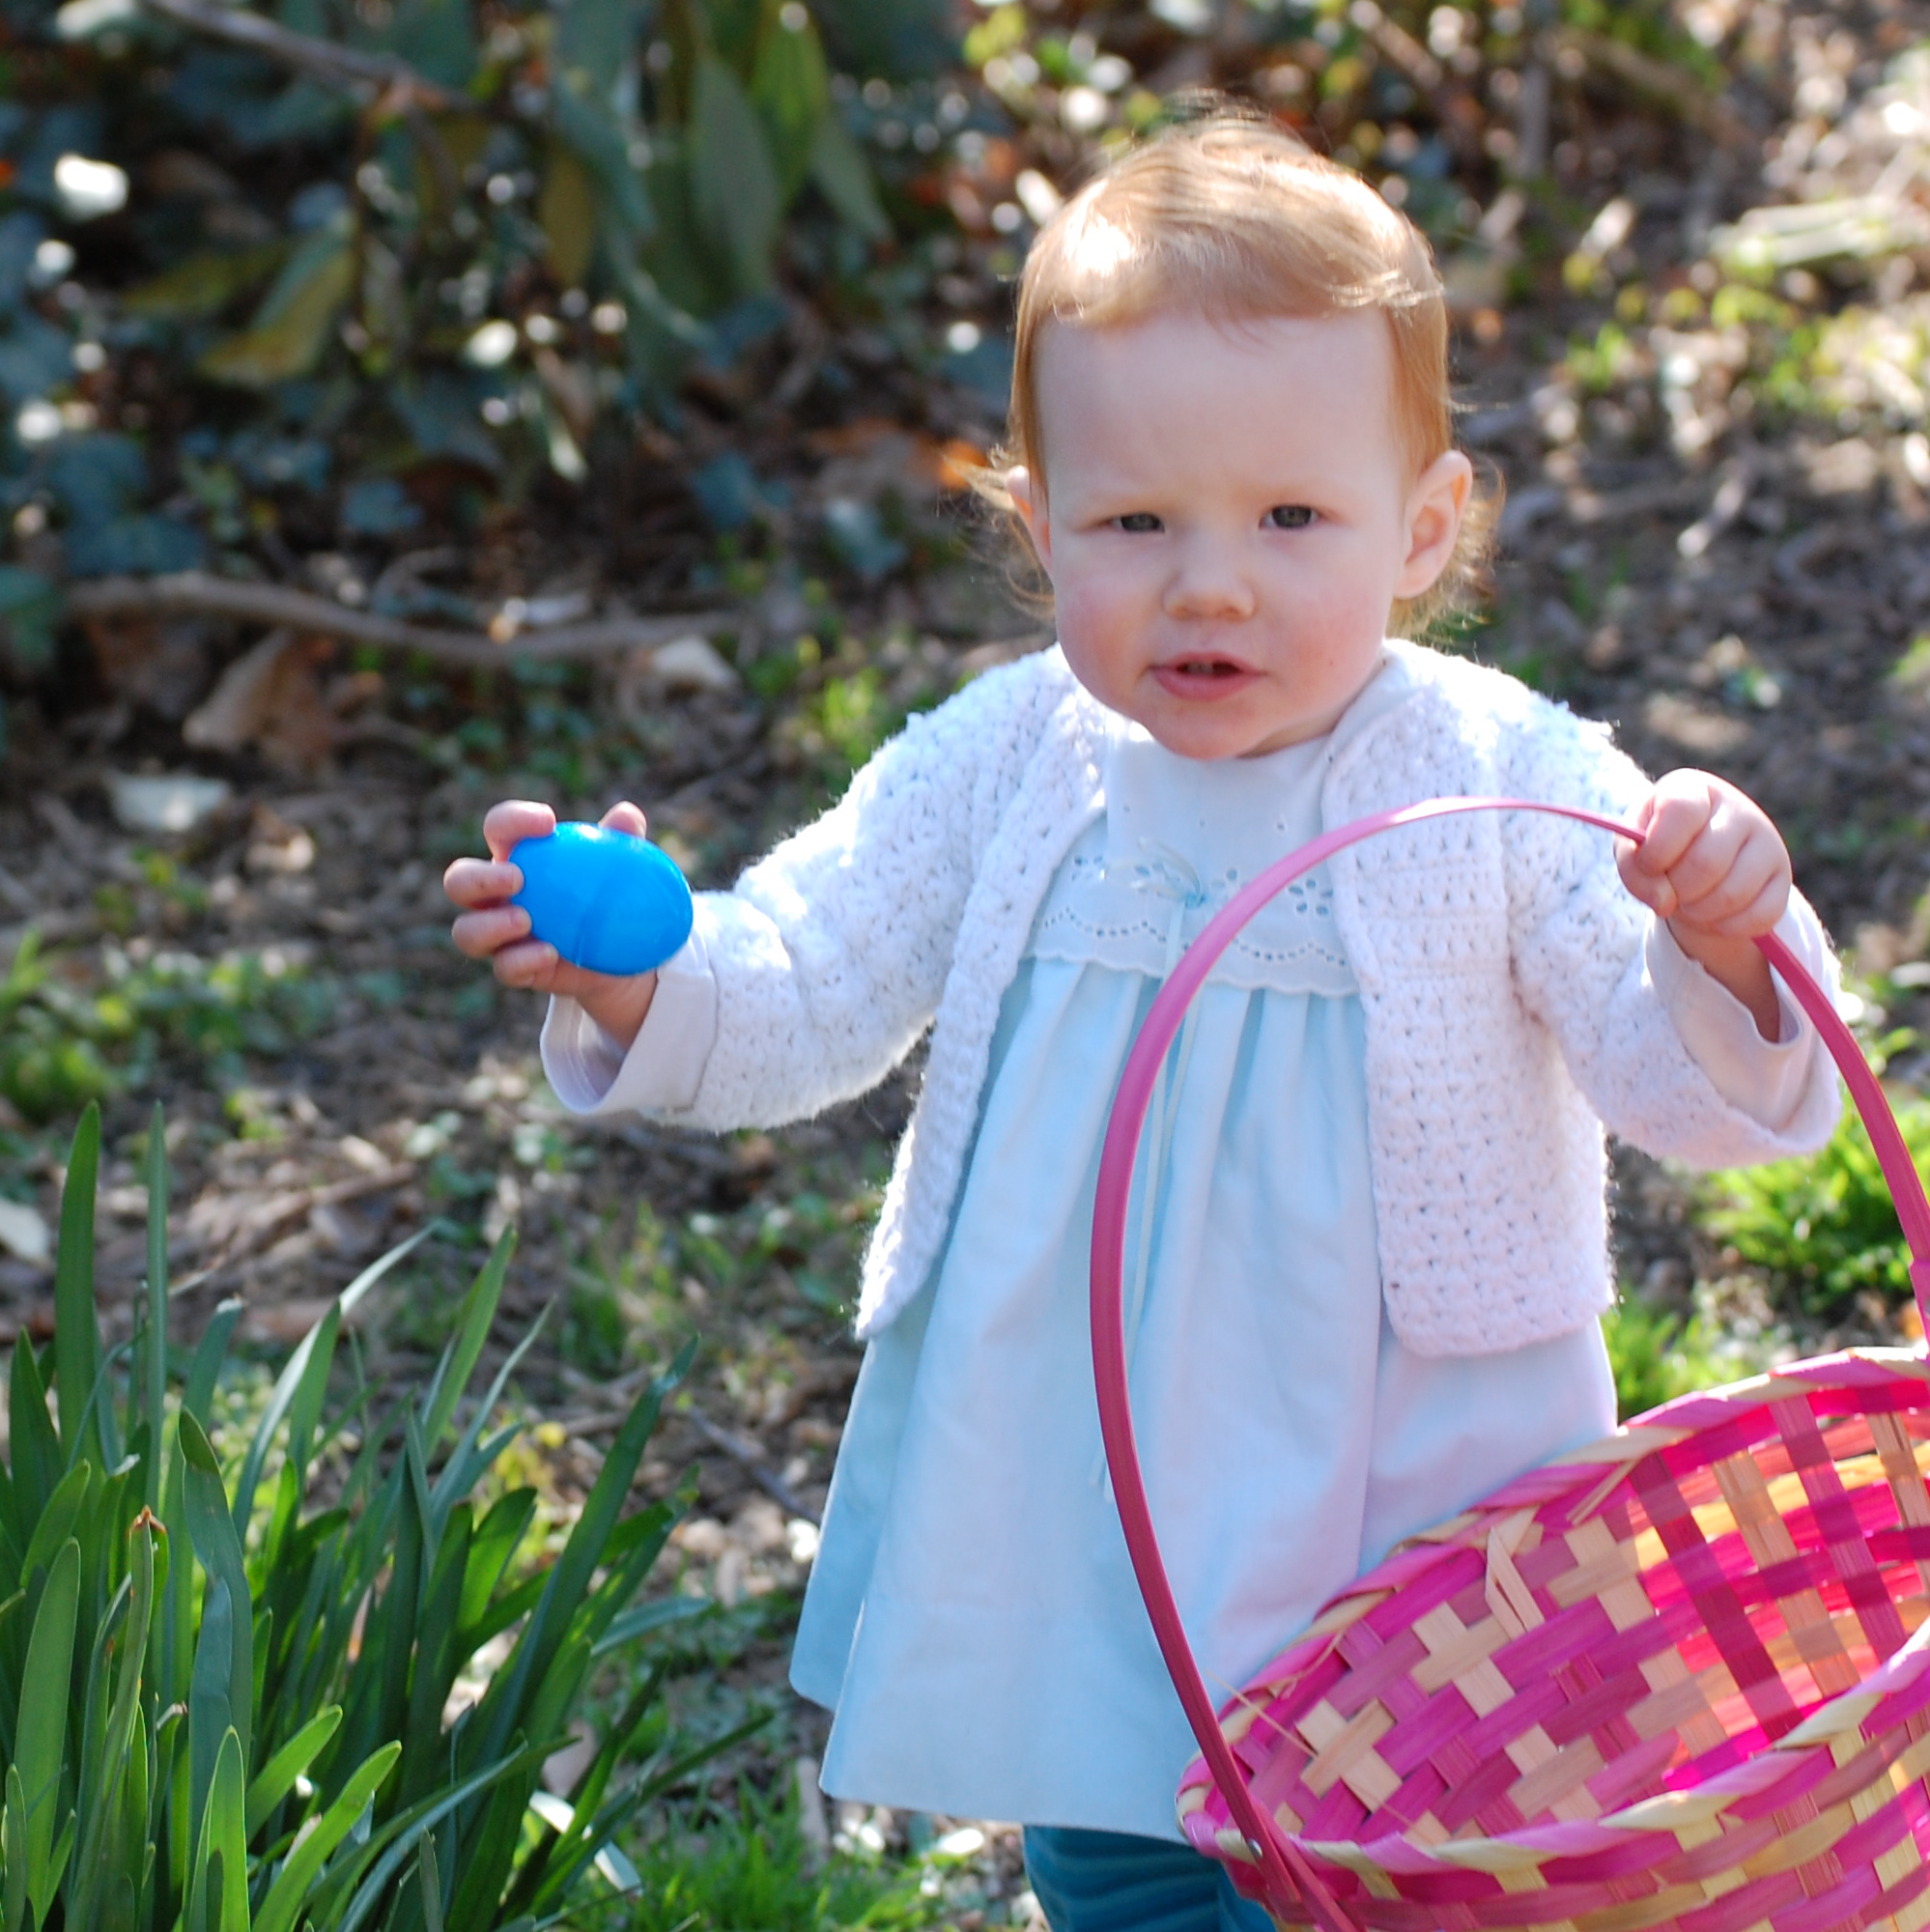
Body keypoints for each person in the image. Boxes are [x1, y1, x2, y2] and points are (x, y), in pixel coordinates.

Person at [440, 108, 1845, 1932]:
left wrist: (1723, 947)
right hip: (1085, 1442)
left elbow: (1689, 1095)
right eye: (1133, 521)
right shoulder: (1013, 758)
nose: (1210, 580)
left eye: (1290, 517)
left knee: (1421, 1838)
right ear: (1041, 528)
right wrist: (645, 974)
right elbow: (811, 973)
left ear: (1423, 529)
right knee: (1114, 1795)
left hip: (1411, 1452)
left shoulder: (1508, 777)